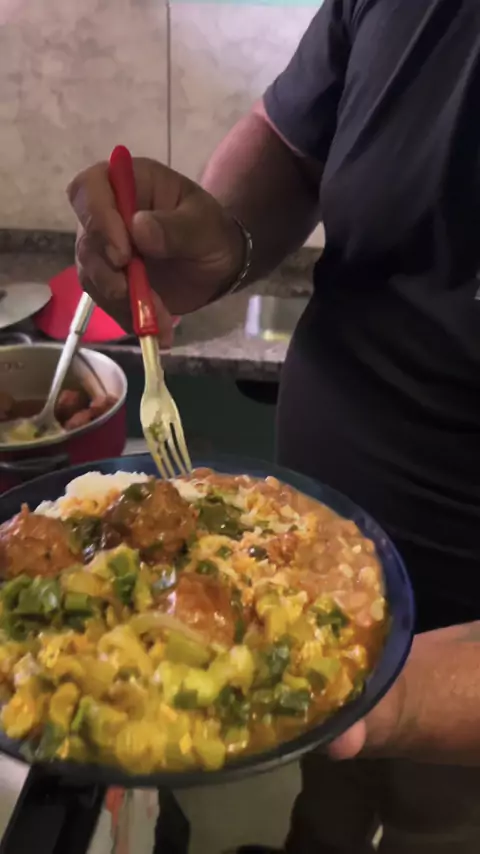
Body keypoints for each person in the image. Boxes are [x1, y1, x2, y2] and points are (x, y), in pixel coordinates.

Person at [67, 0, 480, 850]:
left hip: (454, 646)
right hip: (304, 539)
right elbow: (294, 140)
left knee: (430, 823)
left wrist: (384, 692)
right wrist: (226, 239)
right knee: (324, 808)